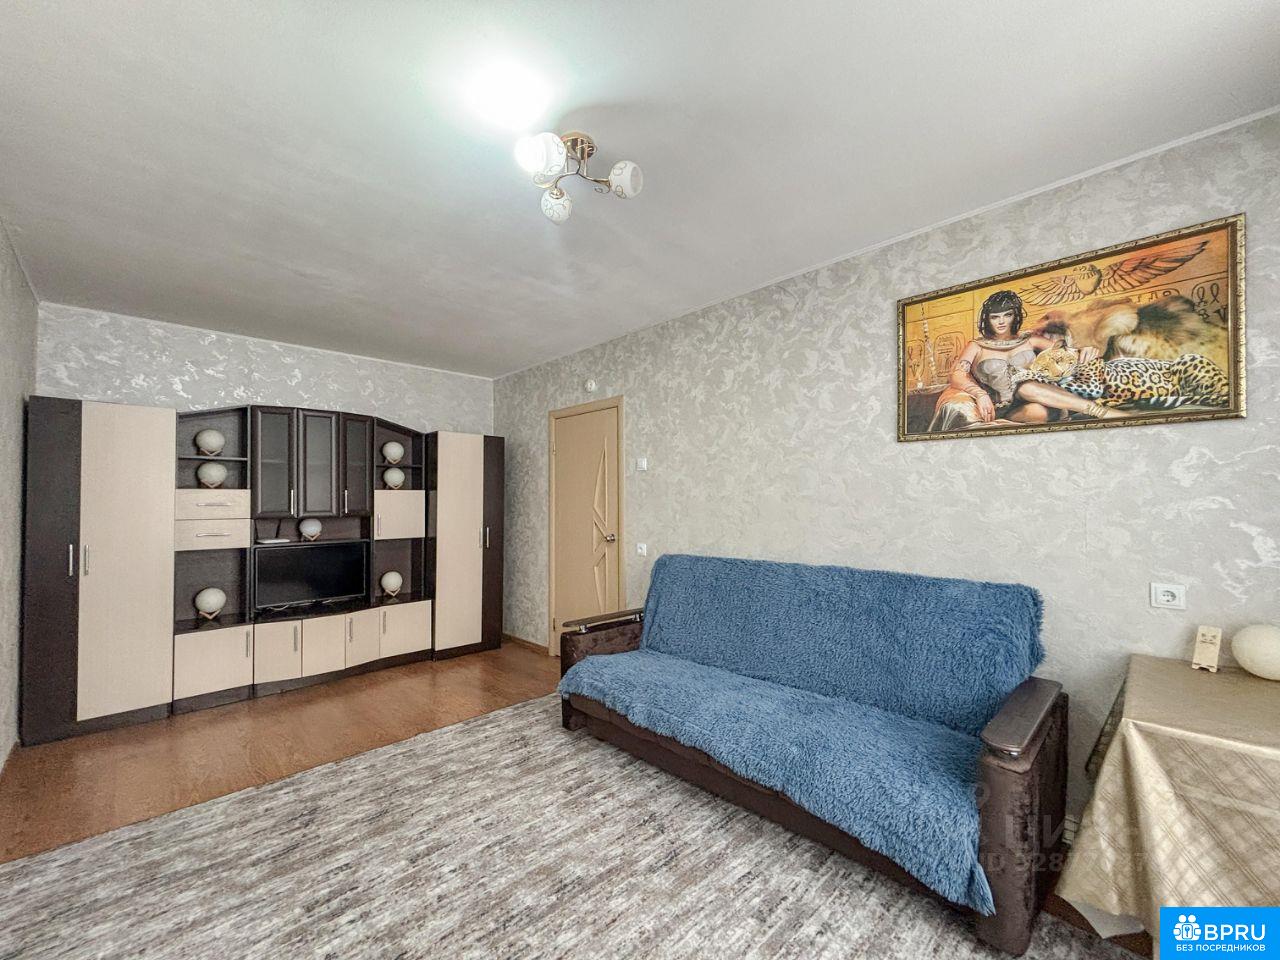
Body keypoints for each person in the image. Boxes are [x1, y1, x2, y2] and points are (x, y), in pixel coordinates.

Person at [949, 289, 1120, 424]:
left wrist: (1085, 350)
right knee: (1034, 401)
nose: (1001, 322)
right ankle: (1100, 412)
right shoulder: (976, 345)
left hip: (1036, 394)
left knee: (1032, 397)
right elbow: (957, 374)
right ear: (987, 319)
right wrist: (980, 394)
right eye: (995, 317)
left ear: (1015, 315)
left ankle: (1098, 411)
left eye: (1007, 315)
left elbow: (1066, 353)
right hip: (1002, 407)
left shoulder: (1030, 339)